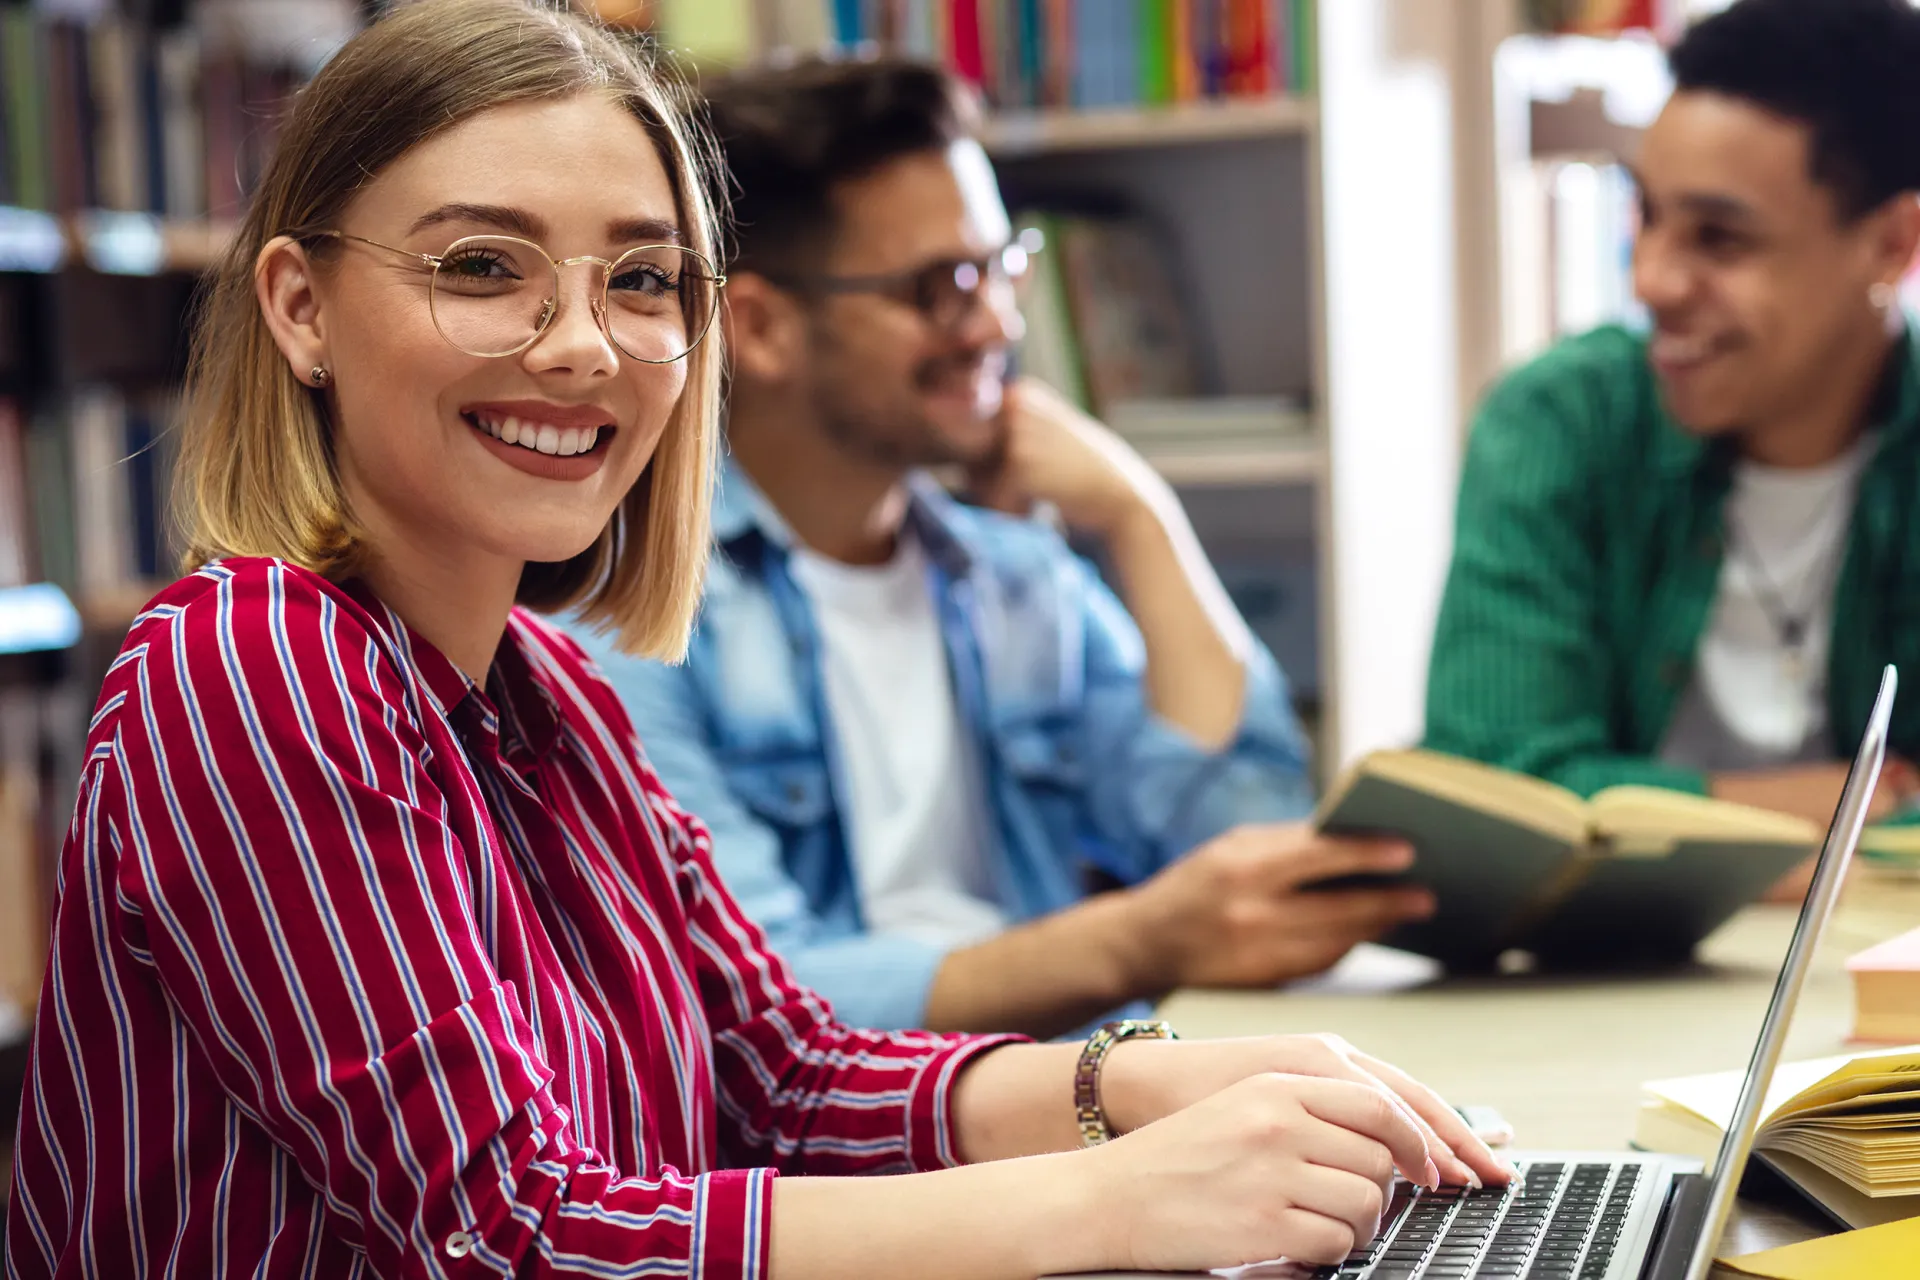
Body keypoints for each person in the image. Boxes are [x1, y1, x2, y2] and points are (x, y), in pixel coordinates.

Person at [3, 4, 1507, 1277]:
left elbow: (785, 1077)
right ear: (300, 308)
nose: (582, 343)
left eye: (642, 278)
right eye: (482, 267)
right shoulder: (250, 661)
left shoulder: (546, 691)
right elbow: (508, 1232)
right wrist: (1117, 1197)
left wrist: (1166, 1083)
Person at [568, 57, 1435, 1041]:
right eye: (941, 287)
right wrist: (1137, 940)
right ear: (760, 326)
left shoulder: (1012, 574)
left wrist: (1143, 517)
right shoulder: (625, 618)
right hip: (863, 1155)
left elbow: (1240, 846)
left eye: (998, 266)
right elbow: (755, 1001)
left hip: (1076, 1098)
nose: (1000, 322)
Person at [1426, 0, 1920, 896]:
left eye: (1720, 238)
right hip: (1583, 988)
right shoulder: (1562, 419)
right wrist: (1814, 811)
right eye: (1645, 215)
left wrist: (1636, 818)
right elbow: (1488, 796)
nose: (1650, 278)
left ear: (1892, 243)